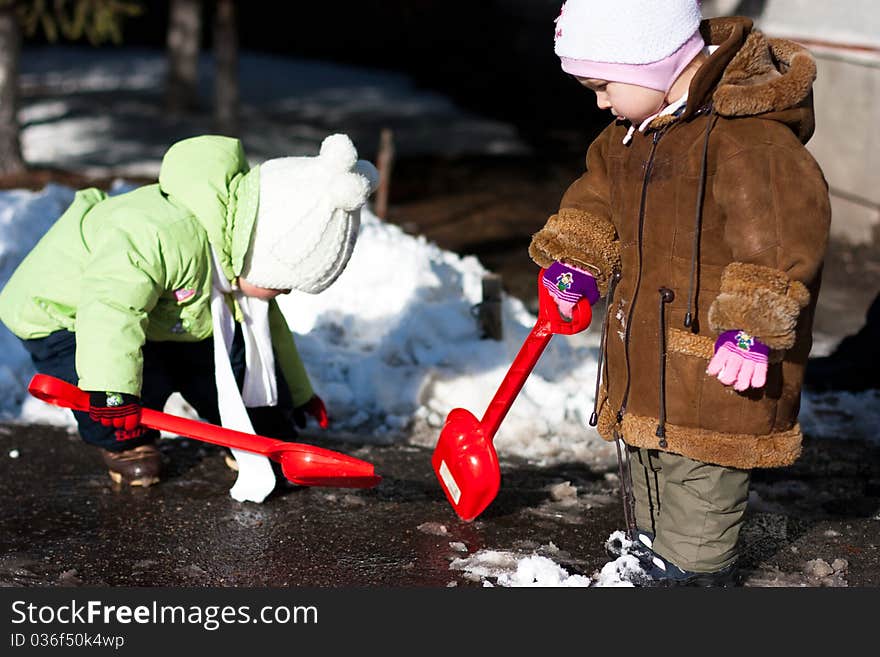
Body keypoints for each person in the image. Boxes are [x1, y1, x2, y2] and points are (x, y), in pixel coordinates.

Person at [534, 0, 831, 585]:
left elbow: (779, 238)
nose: (598, 101)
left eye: (602, 84)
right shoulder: (627, 138)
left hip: (722, 357)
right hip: (646, 344)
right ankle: (651, 551)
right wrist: (576, 260)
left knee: (701, 472)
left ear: (648, 63)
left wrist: (752, 323)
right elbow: (595, 202)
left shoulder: (750, 142)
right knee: (647, 458)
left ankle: (691, 575)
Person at [0, 133, 378, 499]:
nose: (287, 292)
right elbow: (111, 309)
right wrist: (111, 389)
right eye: (286, 282)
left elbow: (268, 334)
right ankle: (126, 447)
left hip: (166, 311)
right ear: (264, 253)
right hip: (64, 312)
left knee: (222, 355)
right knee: (133, 381)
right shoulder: (156, 234)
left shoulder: (237, 252)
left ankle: (252, 432)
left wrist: (297, 393)